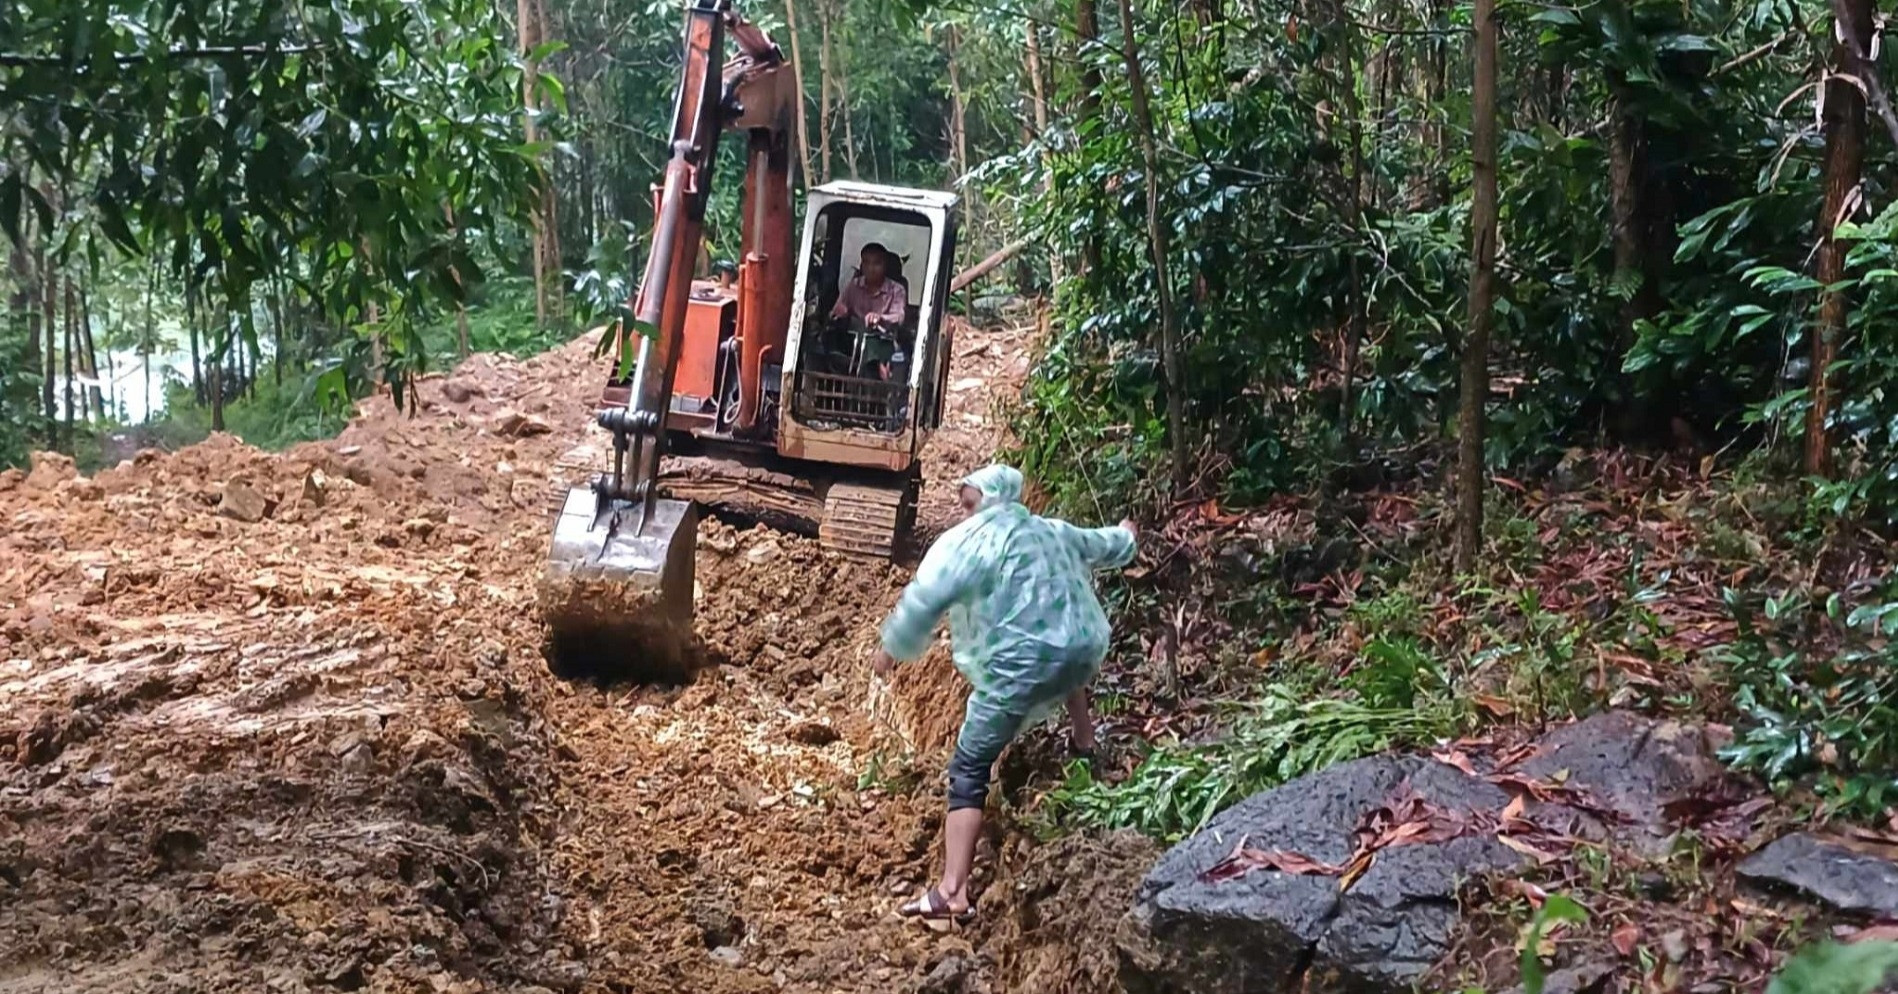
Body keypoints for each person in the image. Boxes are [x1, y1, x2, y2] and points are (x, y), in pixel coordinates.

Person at [872, 465, 1137, 924]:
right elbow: (1105, 544)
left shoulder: (969, 544)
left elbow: (925, 599)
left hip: (1022, 666)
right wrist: (1128, 535)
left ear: (992, 499)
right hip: (1084, 646)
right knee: (1062, 656)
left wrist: (890, 650)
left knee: (970, 765)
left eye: (970, 503)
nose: (965, 513)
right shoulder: (1051, 530)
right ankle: (1085, 743)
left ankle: (951, 892)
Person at [829, 243, 907, 379]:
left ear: (885, 266)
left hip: (885, 341)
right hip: (852, 341)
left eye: (877, 263)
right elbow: (838, 309)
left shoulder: (897, 290)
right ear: (861, 265)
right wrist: (839, 311)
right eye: (866, 263)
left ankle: (876, 367)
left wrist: (880, 318)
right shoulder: (853, 286)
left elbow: (899, 317)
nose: (871, 268)